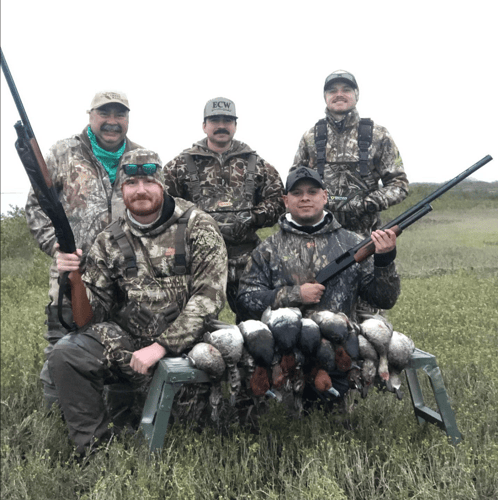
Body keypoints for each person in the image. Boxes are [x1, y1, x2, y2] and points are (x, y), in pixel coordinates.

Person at [48, 149, 228, 454]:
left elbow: (209, 298)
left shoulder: (198, 225)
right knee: (68, 353)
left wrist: (161, 347)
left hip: (188, 345)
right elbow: (88, 320)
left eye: (148, 181)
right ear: (122, 190)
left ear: (162, 185)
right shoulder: (109, 239)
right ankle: (95, 452)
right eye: (132, 183)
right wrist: (75, 280)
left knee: (192, 430)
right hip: (132, 346)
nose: (140, 190)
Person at [237, 167, 400, 402]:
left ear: (325, 196)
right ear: (285, 200)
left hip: (339, 356)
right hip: (285, 359)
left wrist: (384, 260)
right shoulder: (268, 249)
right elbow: (246, 301)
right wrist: (294, 295)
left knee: (337, 426)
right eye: (297, 193)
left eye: (312, 192)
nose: (305, 198)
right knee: (284, 425)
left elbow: (384, 299)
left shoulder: (352, 243)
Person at [25, 91, 144, 409]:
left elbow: (157, 213)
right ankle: (56, 423)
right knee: (63, 347)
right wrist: (55, 247)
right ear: (90, 115)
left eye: (120, 115)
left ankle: (121, 419)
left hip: (126, 280)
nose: (112, 122)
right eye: (105, 113)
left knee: (121, 348)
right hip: (72, 274)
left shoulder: (141, 158)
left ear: (128, 120)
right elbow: (37, 207)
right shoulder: (62, 152)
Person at [163, 97, 285, 321]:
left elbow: (278, 200)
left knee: (256, 323)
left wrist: (253, 218)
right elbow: (163, 203)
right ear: (204, 125)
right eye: (215, 120)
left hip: (246, 259)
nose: (221, 125)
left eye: (227, 120)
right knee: (195, 321)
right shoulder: (180, 165)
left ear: (235, 125)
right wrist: (193, 221)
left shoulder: (256, 163)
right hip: (198, 260)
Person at [291, 70, 409, 237]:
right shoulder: (310, 137)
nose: (339, 95)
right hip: (318, 235)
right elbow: (294, 186)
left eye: (346, 89)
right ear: (325, 97)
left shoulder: (379, 135)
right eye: (333, 91)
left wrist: (368, 203)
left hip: (366, 237)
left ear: (356, 95)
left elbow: (399, 184)